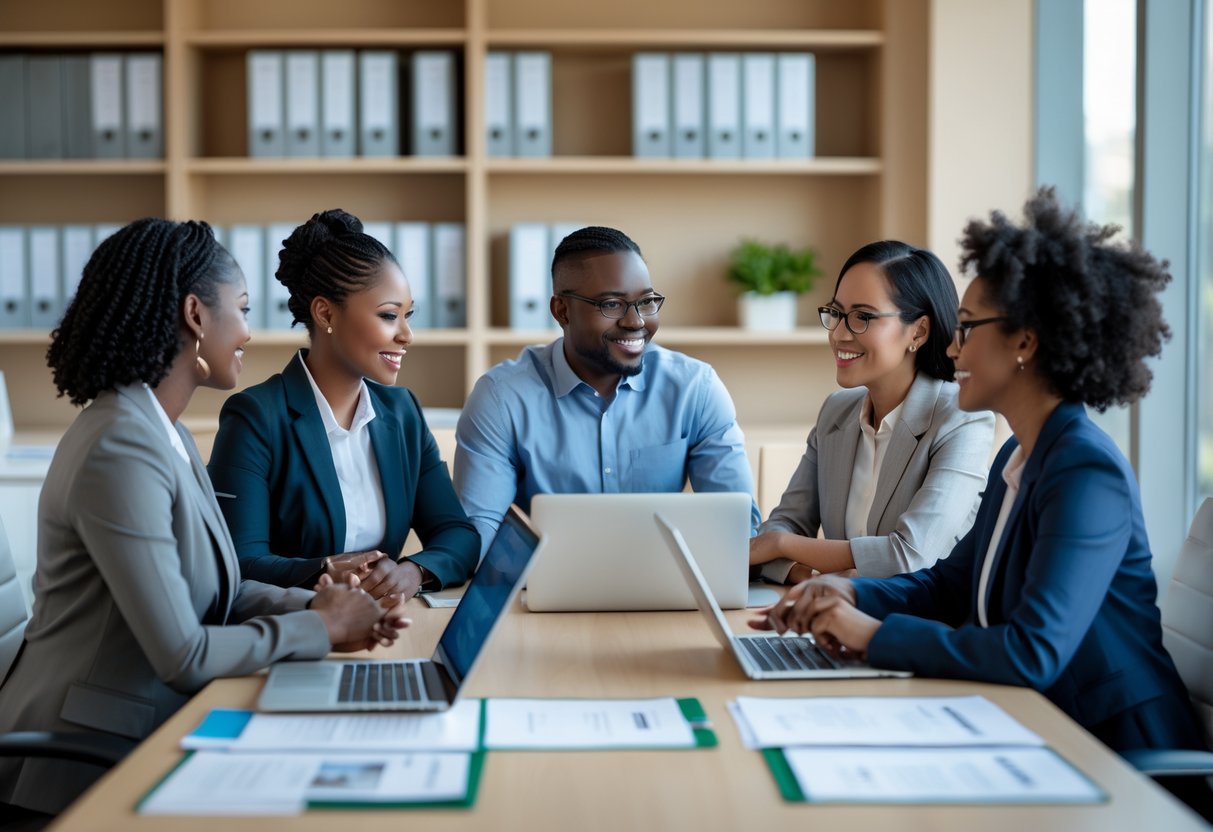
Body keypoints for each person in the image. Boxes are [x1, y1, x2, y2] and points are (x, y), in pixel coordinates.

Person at [753, 188, 1203, 755]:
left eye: (967, 327)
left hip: (1112, 751)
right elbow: (947, 584)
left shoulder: (1086, 471)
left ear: (1025, 342)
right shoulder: (1020, 455)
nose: (953, 349)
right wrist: (843, 593)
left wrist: (872, 634)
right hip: (1032, 725)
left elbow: (1030, 652)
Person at [0, 218, 407, 819]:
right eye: (240, 309)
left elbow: (220, 588)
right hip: (87, 758)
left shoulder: (164, 430)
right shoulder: (120, 445)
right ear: (195, 314)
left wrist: (326, 611)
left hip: (150, 720)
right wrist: (319, 629)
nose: (246, 331)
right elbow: (182, 654)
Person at [208, 209, 479, 598]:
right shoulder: (256, 417)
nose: (407, 335)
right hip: (300, 630)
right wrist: (324, 570)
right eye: (389, 316)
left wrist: (414, 571)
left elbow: (457, 534)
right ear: (325, 313)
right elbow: (238, 560)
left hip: (384, 625)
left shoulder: (402, 413)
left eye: (408, 316)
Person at [454, 225, 759, 558]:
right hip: (544, 597)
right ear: (562, 311)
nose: (635, 321)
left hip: (665, 593)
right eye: (612, 305)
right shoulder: (502, 398)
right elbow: (477, 537)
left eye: (646, 302)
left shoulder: (694, 388)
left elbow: (739, 529)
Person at [751, 241, 995, 583]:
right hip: (835, 619)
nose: (839, 333)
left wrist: (781, 545)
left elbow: (910, 556)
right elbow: (782, 526)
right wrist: (806, 577)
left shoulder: (961, 419)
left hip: (918, 628)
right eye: (836, 313)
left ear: (919, 331)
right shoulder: (836, 411)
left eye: (863, 317)